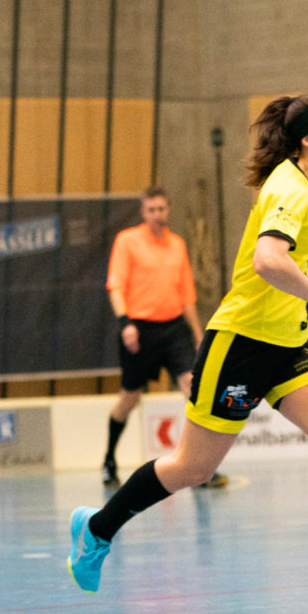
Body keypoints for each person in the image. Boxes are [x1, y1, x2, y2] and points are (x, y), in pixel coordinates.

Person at [69, 90, 308, 611]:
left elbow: (290, 250)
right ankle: (96, 529)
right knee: (192, 469)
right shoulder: (289, 190)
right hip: (243, 344)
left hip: (289, 344)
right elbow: (268, 260)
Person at [100, 186, 221, 488]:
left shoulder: (177, 245)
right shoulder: (127, 242)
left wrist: (197, 336)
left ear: (168, 211)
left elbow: (187, 295)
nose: (157, 215)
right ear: (144, 213)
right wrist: (125, 323)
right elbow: (115, 286)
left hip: (174, 329)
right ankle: (109, 460)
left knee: (193, 390)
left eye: (161, 210)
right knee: (130, 398)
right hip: (139, 331)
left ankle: (200, 467)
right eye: (151, 210)